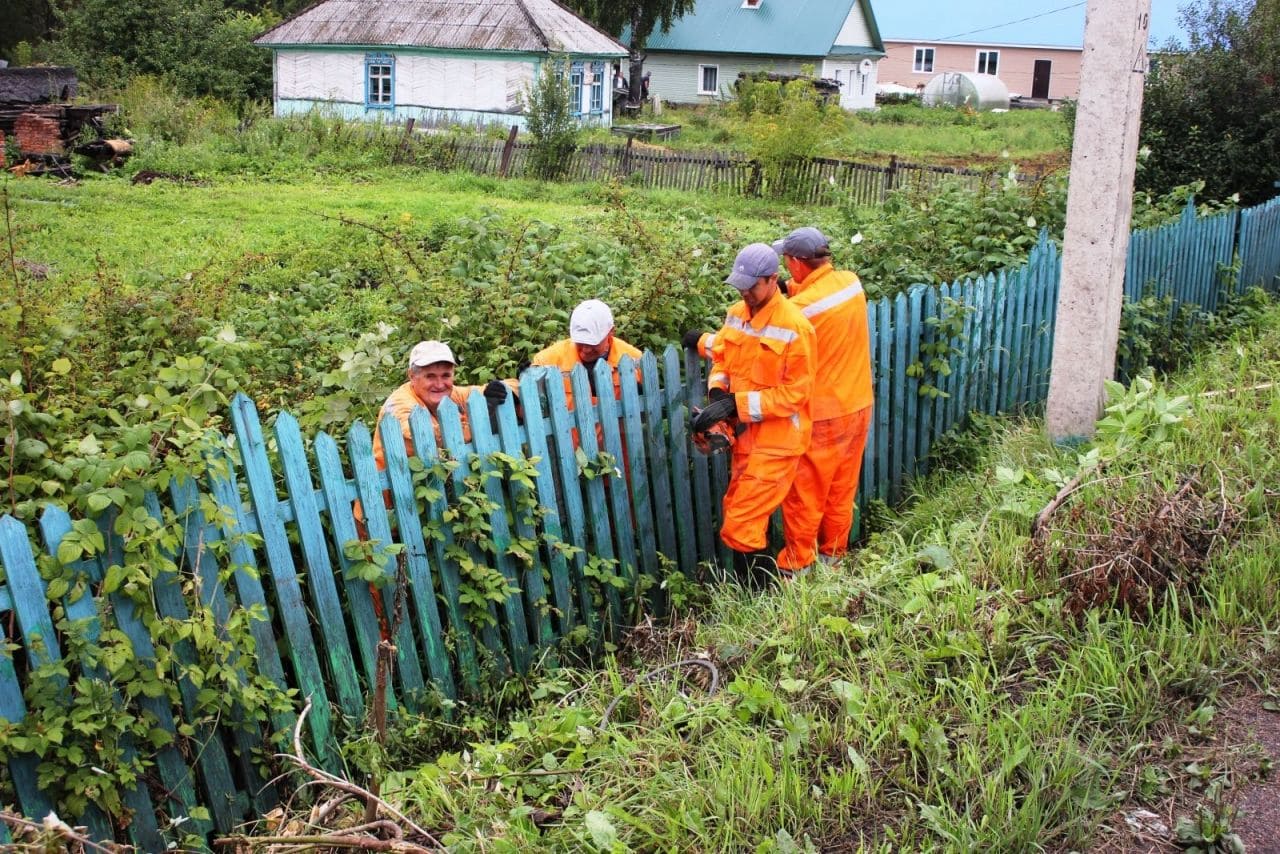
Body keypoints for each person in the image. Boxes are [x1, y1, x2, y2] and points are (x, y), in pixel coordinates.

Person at [690, 243, 815, 586]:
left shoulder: (795, 328)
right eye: (740, 287)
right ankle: (761, 594)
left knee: (741, 523)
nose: (745, 293)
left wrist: (736, 404)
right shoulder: (736, 314)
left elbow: (795, 394)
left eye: (752, 286)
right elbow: (723, 360)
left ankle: (759, 594)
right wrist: (718, 392)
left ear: (773, 279)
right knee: (737, 514)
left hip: (779, 442)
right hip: (746, 440)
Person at [769, 227, 874, 574]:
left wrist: (706, 340)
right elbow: (816, 297)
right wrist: (789, 290)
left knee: (805, 496)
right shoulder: (850, 283)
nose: (784, 267)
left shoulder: (798, 311)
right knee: (841, 489)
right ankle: (834, 558)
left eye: (787, 261)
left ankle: (797, 568)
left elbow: (766, 330)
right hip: (858, 405)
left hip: (825, 416)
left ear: (797, 263)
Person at [371, 340, 510, 469]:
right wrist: (480, 417)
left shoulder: (451, 393)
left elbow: (486, 392)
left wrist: (500, 389)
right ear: (412, 376)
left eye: (445, 375)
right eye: (430, 376)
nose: (439, 384)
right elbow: (425, 440)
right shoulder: (398, 404)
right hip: (390, 491)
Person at [531, 299, 642, 411]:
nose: (586, 349)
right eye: (580, 342)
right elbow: (525, 404)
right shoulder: (547, 360)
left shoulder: (633, 358)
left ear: (611, 332)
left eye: (592, 343)